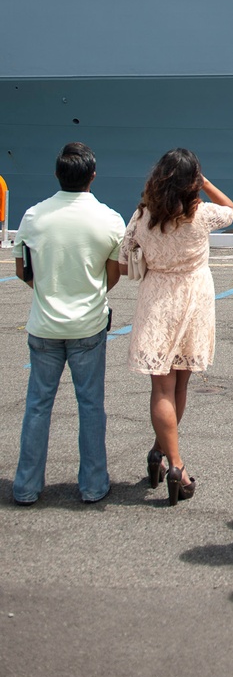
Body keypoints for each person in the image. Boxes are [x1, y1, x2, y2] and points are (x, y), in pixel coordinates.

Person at [119, 150, 233, 505]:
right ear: (192, 181)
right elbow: (232, 211)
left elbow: (125, 260)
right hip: (194, 300)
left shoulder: (143, 214)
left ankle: (162, 453)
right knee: (180, 384)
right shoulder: (200, 214)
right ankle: (175, 466)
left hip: (157, 299)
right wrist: (206, 184)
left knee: (161, 388)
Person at [12, 143, 125, 506]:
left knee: (37, 405)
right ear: (92, 175)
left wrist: (49, 292)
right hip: (88, 326)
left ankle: (26, 487)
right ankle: (93, 485)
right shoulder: (109, 219)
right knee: (90, 405)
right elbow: (112, 276)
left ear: (58, 175)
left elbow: (22, 271)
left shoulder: (32, 217)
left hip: (44, 326)